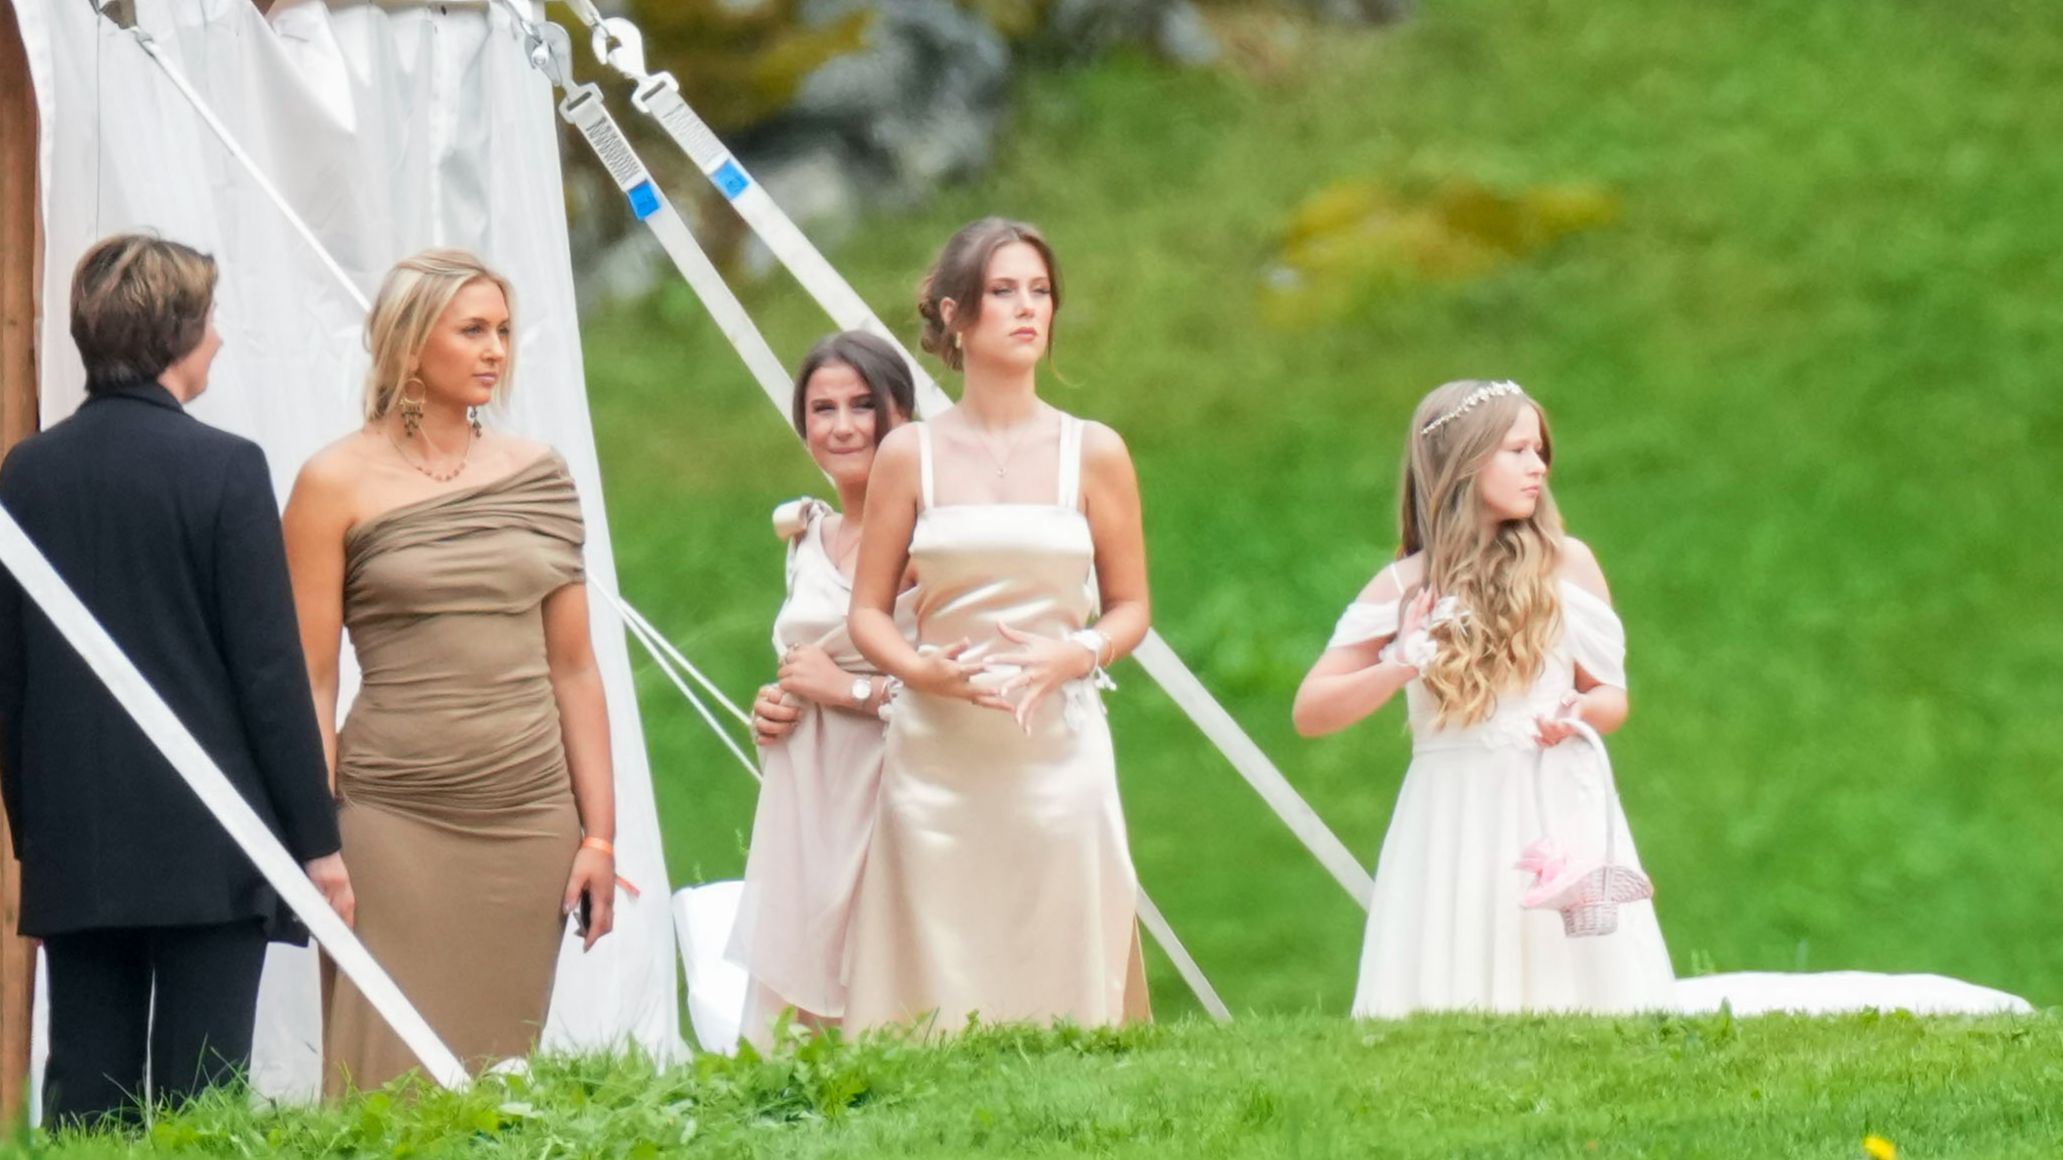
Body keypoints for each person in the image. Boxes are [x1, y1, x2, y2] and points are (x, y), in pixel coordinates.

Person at [0, 233, 352, 1126]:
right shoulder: (226, 469)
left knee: (88, 1105)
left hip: (78, 844)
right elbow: (269, 677)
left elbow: (11, 683)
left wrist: (35, 843)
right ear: (179, 335)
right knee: (203, 1108)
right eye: (211, 321)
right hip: (212, 843)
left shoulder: (25, 475)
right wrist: (318, 846)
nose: (222, 340)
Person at [282, 249, 615, 1093]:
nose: (496, 349)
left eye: (503, 331)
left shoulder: (539, 475)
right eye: (472, 330)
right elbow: (311, 679)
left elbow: (575, 669)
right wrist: (317, 840)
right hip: (391, 815)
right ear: (407, 343)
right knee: (381, 1077)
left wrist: (600, 836)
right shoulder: (331, 481)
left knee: (497, 1077)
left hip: (528, 816)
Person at [842, 218, 1152, 1033]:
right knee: (939, 982)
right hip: (937, 755)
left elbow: (1132, 608)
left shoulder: (1095, 452)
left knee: (1062, 961)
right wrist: (916, 672)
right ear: (953, 315)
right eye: (1003, 291)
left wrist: (1074, 652)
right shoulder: (909, 455)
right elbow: (867, 612)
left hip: (1057, 745)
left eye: (1040, 291)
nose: (1027, 309)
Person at [1292, 379, 1675, 1017]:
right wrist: (1399, 663)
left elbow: (1610, 694)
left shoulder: (1567, 565)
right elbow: (1312, 711)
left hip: (1553, 797)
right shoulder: (1404, 585)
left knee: (1574, 981)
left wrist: (1578, 715)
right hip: (1454, 810)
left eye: (1540, 449)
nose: (1540, 466)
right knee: (1459, 962)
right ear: (1464, 463)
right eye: (1518, 450)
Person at [728, 331, 918, 1044]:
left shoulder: (931, 536)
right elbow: (799, 658)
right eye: (822, 409)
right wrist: (777, 704)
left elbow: (961, 686)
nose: (841, 427)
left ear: (900, 413)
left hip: (892, 782)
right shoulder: (807, 531)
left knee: (887, 977)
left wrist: (851, 692)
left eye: (863, 405)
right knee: (800, 1004)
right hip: (807, 787)